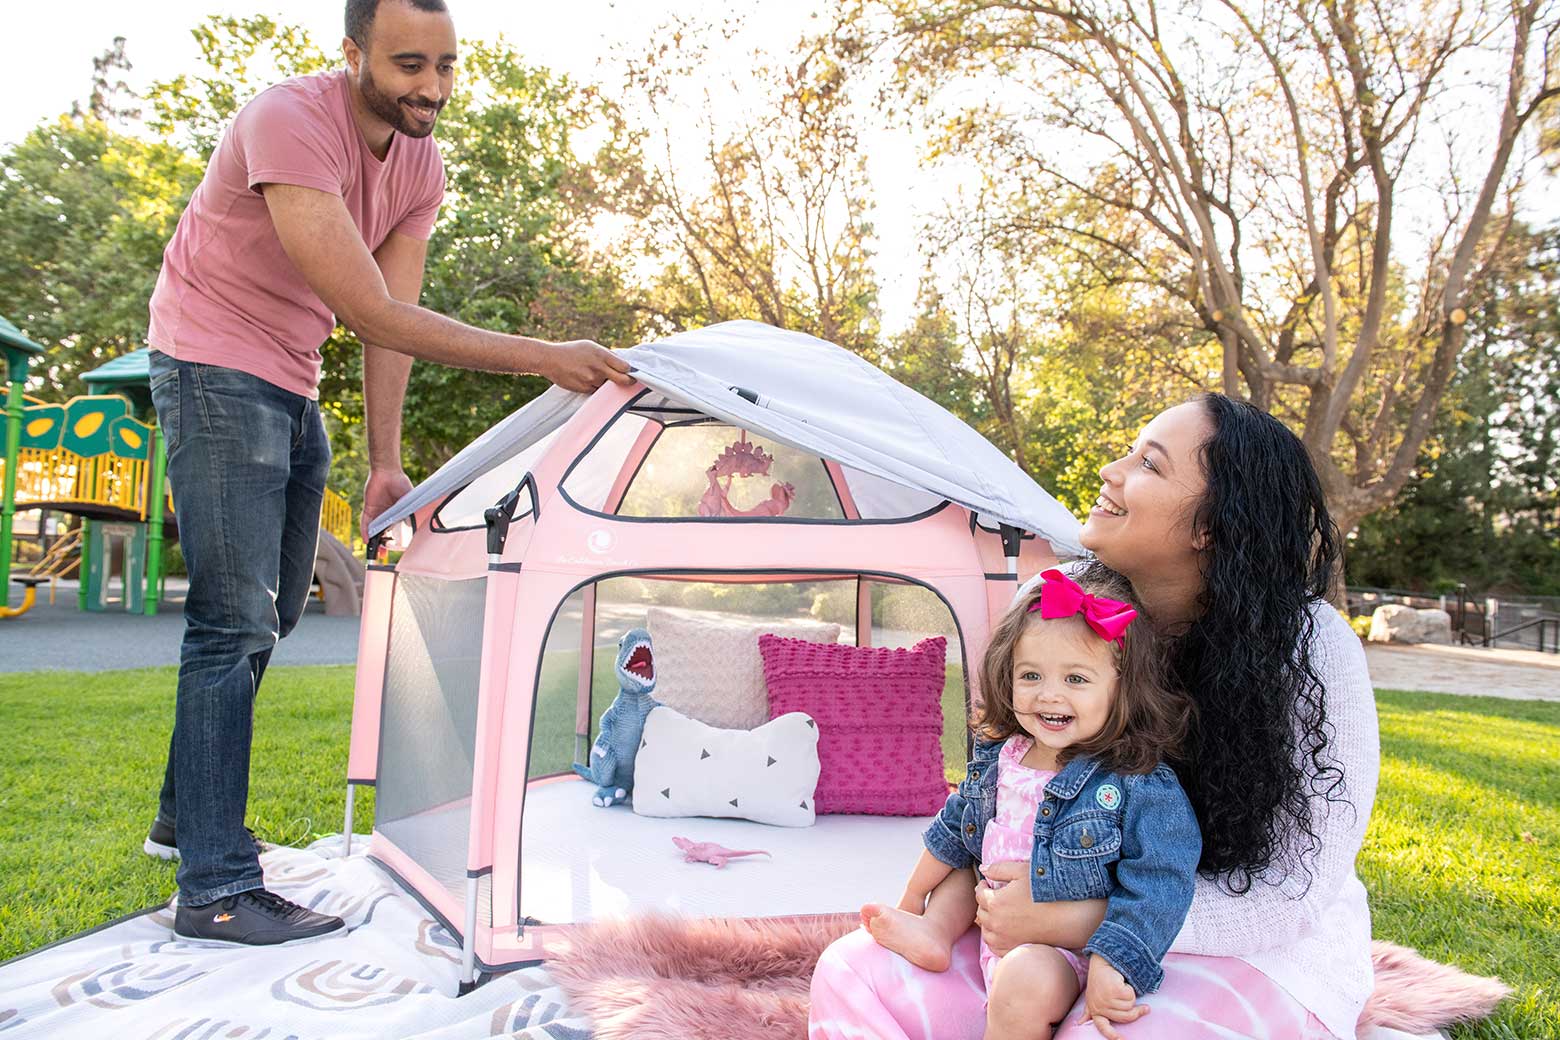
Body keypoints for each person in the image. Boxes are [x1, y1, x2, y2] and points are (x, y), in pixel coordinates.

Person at [141, 0, 633, 948]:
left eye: (447, 66)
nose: (434, 89)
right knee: (233, 617)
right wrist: (542, 355)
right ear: (354, 53)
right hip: (208, 362)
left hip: (288, 371)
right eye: (412, 65)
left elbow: (389, 322)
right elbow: (368, 309)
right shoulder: (288, 119)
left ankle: (182, 817)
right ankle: (213, 884)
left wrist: (386, 460)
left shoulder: (420, 163)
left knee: (275, 610)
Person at [810, 394, 1379, 1040]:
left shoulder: (1312, 646)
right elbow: (1000, 785)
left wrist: (1073, 917)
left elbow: (1290, 898)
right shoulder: (1055, 604)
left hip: (1243, 951)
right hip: (1030, 939)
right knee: (851, 973)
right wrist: (971, 906)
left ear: (1210, 527)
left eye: (1148, 465)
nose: (1111, 470)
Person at [860, 568, 1199, 1040]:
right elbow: (955, 829)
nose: (1049, 694)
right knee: (967, 861)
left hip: (1059, 952)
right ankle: (936, 931)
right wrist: (914, 900)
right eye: (1031, 675)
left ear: (1121, 687)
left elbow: (1160, 883)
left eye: (1076, 678)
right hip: (990, 918)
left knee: (1023, 981)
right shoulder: (1004, 755)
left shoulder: (1135, 781)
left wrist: (1111, 963)